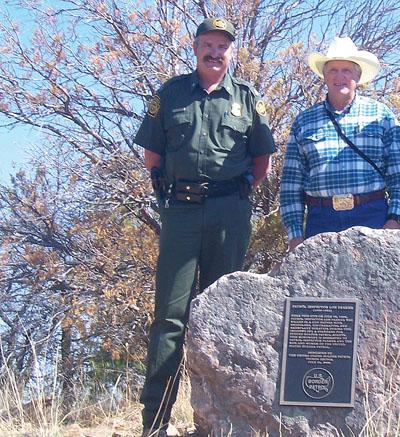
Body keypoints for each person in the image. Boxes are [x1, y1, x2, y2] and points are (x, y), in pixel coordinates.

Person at [133, 17, 276, 436]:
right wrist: (169, 199)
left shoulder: (248, 99)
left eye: (223, 47)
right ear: (195, 48)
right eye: (208, 45)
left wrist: (239, 193)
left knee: (226, 315)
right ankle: (154, 422)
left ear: (232, 53)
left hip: (228, 214)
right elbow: (152, 155)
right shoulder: (170, 93)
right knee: (170, 317)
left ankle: (224, 421)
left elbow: (262, 161)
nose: (215, 53)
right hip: (181, 213)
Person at [280, 37, 400, 250]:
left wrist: (394, 218)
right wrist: (295, 234)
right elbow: (291, 184)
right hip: (321, 219)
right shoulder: (304, 121)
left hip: (372, 215)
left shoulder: (381, 116)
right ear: (324, 76)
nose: (339, 77)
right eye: (333, 70)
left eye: (346, 70)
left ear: (358, 76)